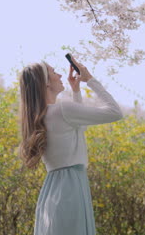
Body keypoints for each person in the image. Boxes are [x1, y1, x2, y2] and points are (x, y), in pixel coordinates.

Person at [18, 55, 123, 235]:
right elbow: (115, 112)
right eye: (53, 72)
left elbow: (77, 128)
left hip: (54, 189)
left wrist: (76, 92)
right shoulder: (62, 110)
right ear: (46, 83)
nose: (60, 75)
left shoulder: (42, 116)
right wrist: (90, 80)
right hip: (71, 189)